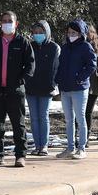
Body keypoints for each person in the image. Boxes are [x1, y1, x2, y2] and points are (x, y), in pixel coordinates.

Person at [0, 11, 35, 168]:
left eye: (9, 21)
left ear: (16, 24)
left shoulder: (23, 42)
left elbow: (30, 65)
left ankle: (20, 155)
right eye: (4, 20)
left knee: (18, 124)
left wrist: (21, 80)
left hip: (15, 91)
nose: (6, 23)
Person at [55, 19, 97, 160]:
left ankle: (82, 148)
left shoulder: (86, 47)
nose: (71, 35)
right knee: (68, 119)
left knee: (80, 118)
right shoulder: (65, 47)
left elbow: (92, 65)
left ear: (81, 33)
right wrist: (57, 80)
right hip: (65, 88)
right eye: (69, 32)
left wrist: (80, 77)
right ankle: (70, 148)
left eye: (74, 32)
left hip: (79, 88)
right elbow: (60, 67)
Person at [25, 20, 60, 157]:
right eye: (35, 33)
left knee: (43, 116)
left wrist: (53, 84)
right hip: (31, 87)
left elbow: (57, 68)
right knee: (34, 117)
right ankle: (37, 144)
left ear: (47, 33)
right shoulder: (29, 46)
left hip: (46, 87)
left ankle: (44, 145)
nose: (38, 35)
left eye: (41, 32)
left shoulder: (54, 47)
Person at [84, 25, 98, 146]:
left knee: (87, 112)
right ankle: (82, 136)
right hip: (86, 84)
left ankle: (85, 137)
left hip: (93, 85)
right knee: (82, 112)